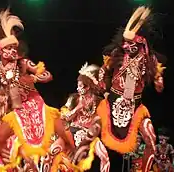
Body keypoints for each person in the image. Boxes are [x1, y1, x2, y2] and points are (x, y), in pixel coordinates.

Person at [0, 8, 73, 170]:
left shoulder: (23, 63)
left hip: (31, 104)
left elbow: (47, 75)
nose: (13, 51)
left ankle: (67, 147)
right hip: (10, 111)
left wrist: (33, 78)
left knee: (48, 130)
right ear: (0, 51)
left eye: (14, 48)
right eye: (9, 48)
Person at [97, 6, 166, 172]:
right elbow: (103, 70)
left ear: (141, 43)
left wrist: (159, 81)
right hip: (112, 102)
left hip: (136, 107)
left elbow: (159, 85)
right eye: (125, 43)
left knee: (151, 138)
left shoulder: (151, 60)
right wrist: (101, 81)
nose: (127, 47)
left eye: (131, 44)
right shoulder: (116, 54)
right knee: (91, 133)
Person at [41, 62, 110, 172]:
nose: (78, 88)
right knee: (50, 153)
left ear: (88, 87)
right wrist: (77, 108)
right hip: (71, 132)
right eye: (78, 85)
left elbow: (102, 123)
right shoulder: (74, 99)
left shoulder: (99, 102)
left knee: (104, 157)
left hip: (89, 136)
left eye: (81, 86)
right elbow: (64, 117)